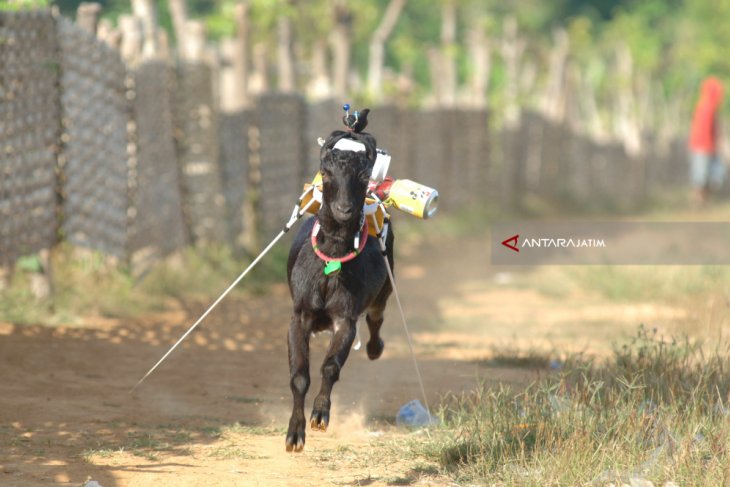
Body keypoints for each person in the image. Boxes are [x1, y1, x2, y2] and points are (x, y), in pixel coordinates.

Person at [689, 76, 726, 205]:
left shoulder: (709, 107)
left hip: (708, 147)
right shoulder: (705, 108)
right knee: (701, 176)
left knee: (714, 174)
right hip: (703, 147)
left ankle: (703, 200)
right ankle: (698, 201)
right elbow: (702, 130)